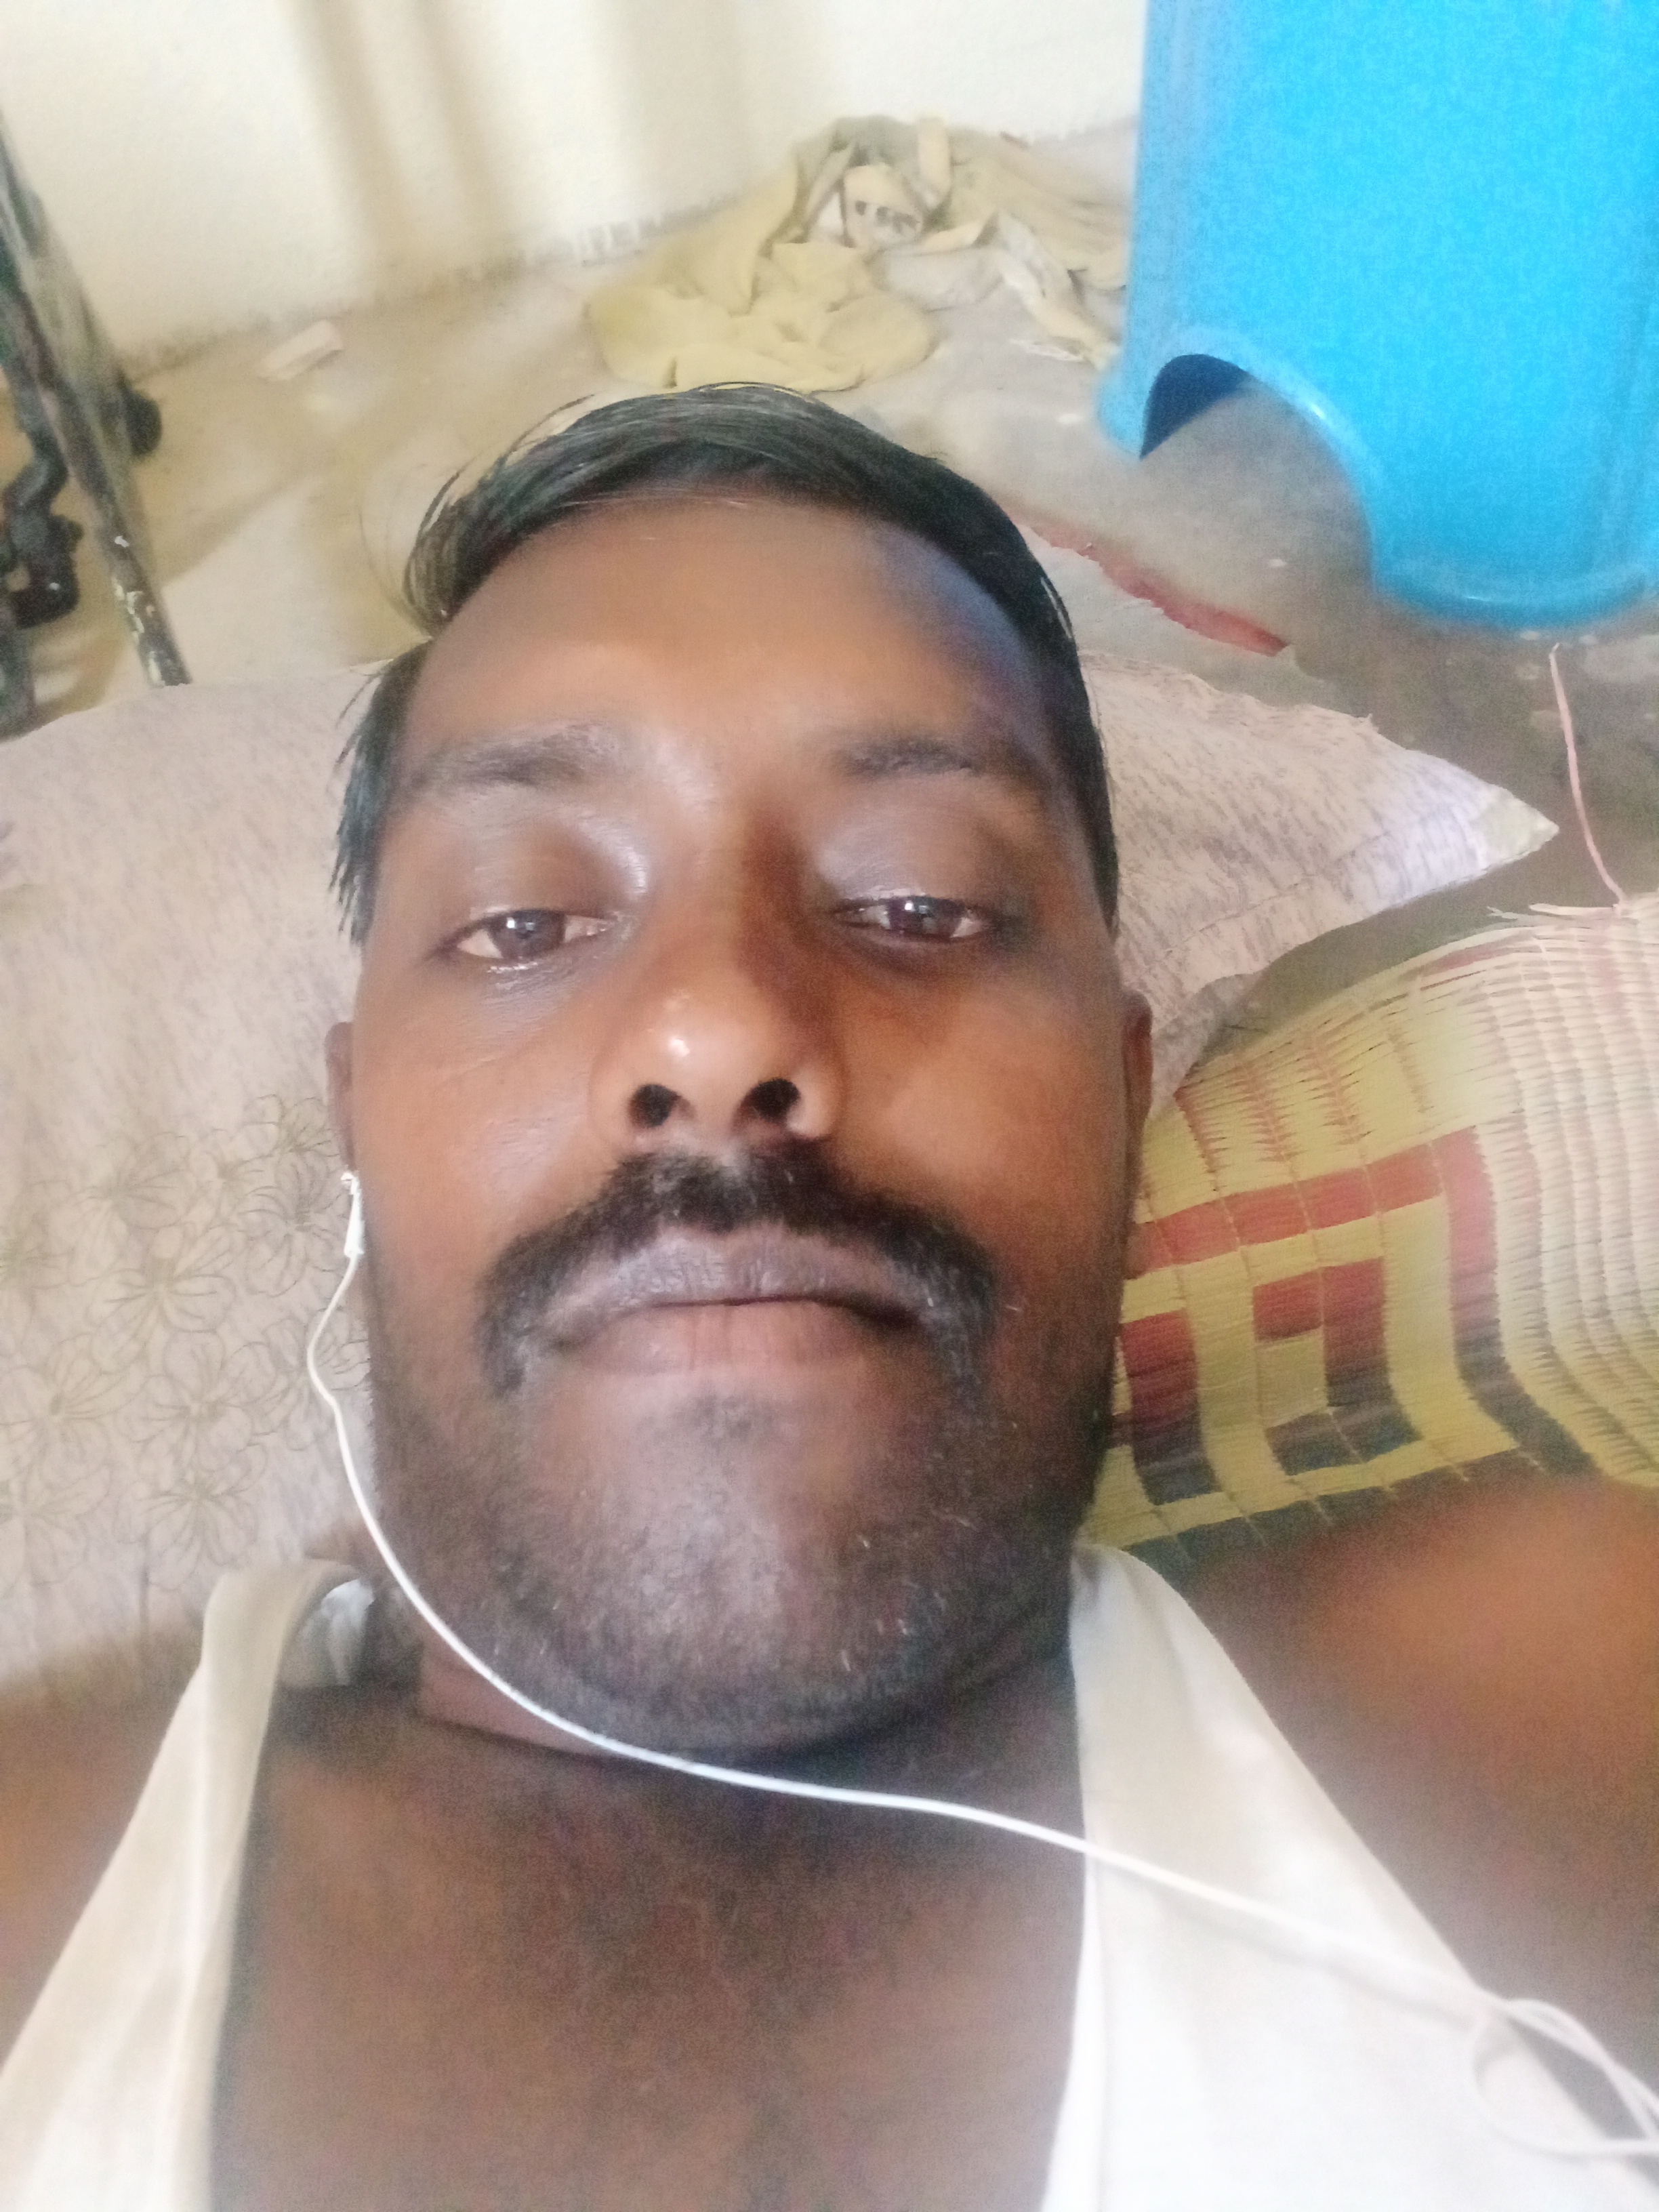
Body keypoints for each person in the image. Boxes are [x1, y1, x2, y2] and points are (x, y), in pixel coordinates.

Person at [1, 385, 1657, 2212]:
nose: (719, 1027)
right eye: (525, 921)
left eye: (922, 902)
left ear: (1125, 1097)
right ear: (356, 1122)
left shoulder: (1560, 1700)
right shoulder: (35, 1881)